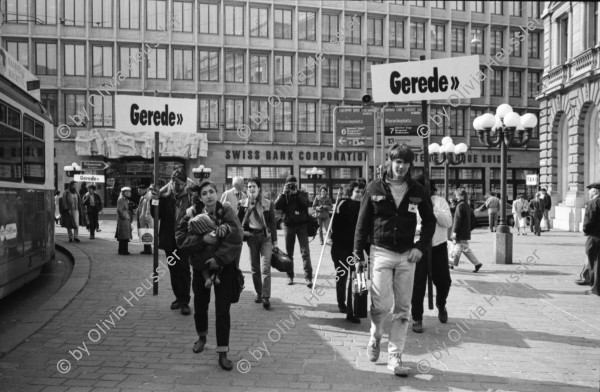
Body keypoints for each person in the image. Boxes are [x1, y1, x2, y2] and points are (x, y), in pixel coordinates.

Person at [354, 144, 436, 377]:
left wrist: (421, 247)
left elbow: (430, 222)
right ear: (389, 162)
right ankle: (375, 335)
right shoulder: (374, 188)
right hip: (380, 252)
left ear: (410, 165)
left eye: (405, 162)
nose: (401, 166)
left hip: (407, 256)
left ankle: (394, 355)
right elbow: (362, 224)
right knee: (380, 305)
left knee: (402, 308)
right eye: (397, 161)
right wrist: (358, 255)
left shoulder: (417, 190)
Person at [175, 181, 243, 370]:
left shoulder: (227, 211)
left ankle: (223, 351)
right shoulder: (191, 213)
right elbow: (180, 238)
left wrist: (219, 259)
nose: (209, 196)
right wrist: (201, 239)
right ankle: (202, 337)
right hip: (200, 266)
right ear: (200, 197)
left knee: (222, 310)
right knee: (200, 305)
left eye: (212, 191)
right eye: (204, 193)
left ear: (217, 192)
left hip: (224, 267)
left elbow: (237, 236)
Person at [411, 176, 453, 334]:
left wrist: (432, 210)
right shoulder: (413, 202)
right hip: (419, 246)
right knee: (417, 284)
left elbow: (447, 222)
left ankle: (441, 303)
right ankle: (417, 317)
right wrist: (421, 226)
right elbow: (410, 224)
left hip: (438, 246)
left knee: (444, 281)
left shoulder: (440, 201)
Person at [155, 168, 193, 316]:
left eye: (179, 183)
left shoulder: (189, 197)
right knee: (173, 270)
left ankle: (185, 301)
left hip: (185, 239)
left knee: (184, 269)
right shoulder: (165, 196)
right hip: (169, 239)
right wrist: (155, 199)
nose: (176, 186)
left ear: (185, 184)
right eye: (174, 182)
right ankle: (178, 298)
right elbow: (155, 214)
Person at [237, 177, 278, 309]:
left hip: (265, 238)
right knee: (255, 268)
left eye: (254, 186)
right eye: (249, 187)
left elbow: (272, 223)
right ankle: (259, 293)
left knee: (265, 267)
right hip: (251, 238)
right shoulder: (242, 203)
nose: (251, 189)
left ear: (259, 188)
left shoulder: (268, 203)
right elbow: (239, 223)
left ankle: (266, 297)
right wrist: (244, 233)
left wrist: (275, 242)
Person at [331, 180, 365, 323]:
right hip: (341, 248)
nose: (359, 195)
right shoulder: (343, 204)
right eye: (357, 192)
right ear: (351, 192)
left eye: (362, 193)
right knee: (342, 277)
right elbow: (335, 227)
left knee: (358, 279)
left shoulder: (365, 207)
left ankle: (354, 311)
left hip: (357, 249)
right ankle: (341, 302)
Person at [274, 175, 313, 288]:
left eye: (294, 184)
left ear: (297, 184)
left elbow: (306, 204)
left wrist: (296, 194)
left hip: (302, 225)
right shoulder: (284, 195)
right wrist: (282, 193)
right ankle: (290, 276)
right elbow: (276, 206)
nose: (292, 186)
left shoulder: (302, 193)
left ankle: (308, 277)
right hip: (288, 225)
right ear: (286, 185)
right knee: (289, 253)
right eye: (289, 184)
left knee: (305, 252)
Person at [451, 188, 483, 272]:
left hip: (460, 232)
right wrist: (469, 229)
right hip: (465, 231)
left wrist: (454, 231)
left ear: (462, 196)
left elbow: (457, 220)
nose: (456, 197)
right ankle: (451, 264)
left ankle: (477, 263)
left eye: (457, 195)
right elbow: (473, 220)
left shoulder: (460, 205)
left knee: (463, 248)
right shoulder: (467, 205)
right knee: (458, 247)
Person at [579, 182, 600, 296]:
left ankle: (596, 289)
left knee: (595, 262)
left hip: (595, 236)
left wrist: (585, 231)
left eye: (590, 190)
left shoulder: (593, 202)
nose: (588, 192)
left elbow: (589, 219)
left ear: (595, 191)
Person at [115, 187, 133, 255]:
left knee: (125, 235)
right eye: (128, 192)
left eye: (129, 192)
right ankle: (122, 250)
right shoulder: (121, 199)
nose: (129, 193)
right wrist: (126, 216)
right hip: (123, 220)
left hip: (126, 219)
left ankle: (124, 250)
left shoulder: (125, 199)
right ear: (124, 192)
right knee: (123, 235)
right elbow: (120, 209)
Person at [137, 184, 154, 254]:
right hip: (142, 217)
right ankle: (146, 249)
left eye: (140, 190)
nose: (139, 191)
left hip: (146, 219)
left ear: (145, 189)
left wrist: (147, 218)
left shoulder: (148, 197)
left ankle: (148, 249)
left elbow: (148, 209)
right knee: (144, 232)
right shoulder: (143, 197)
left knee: (147, 233)